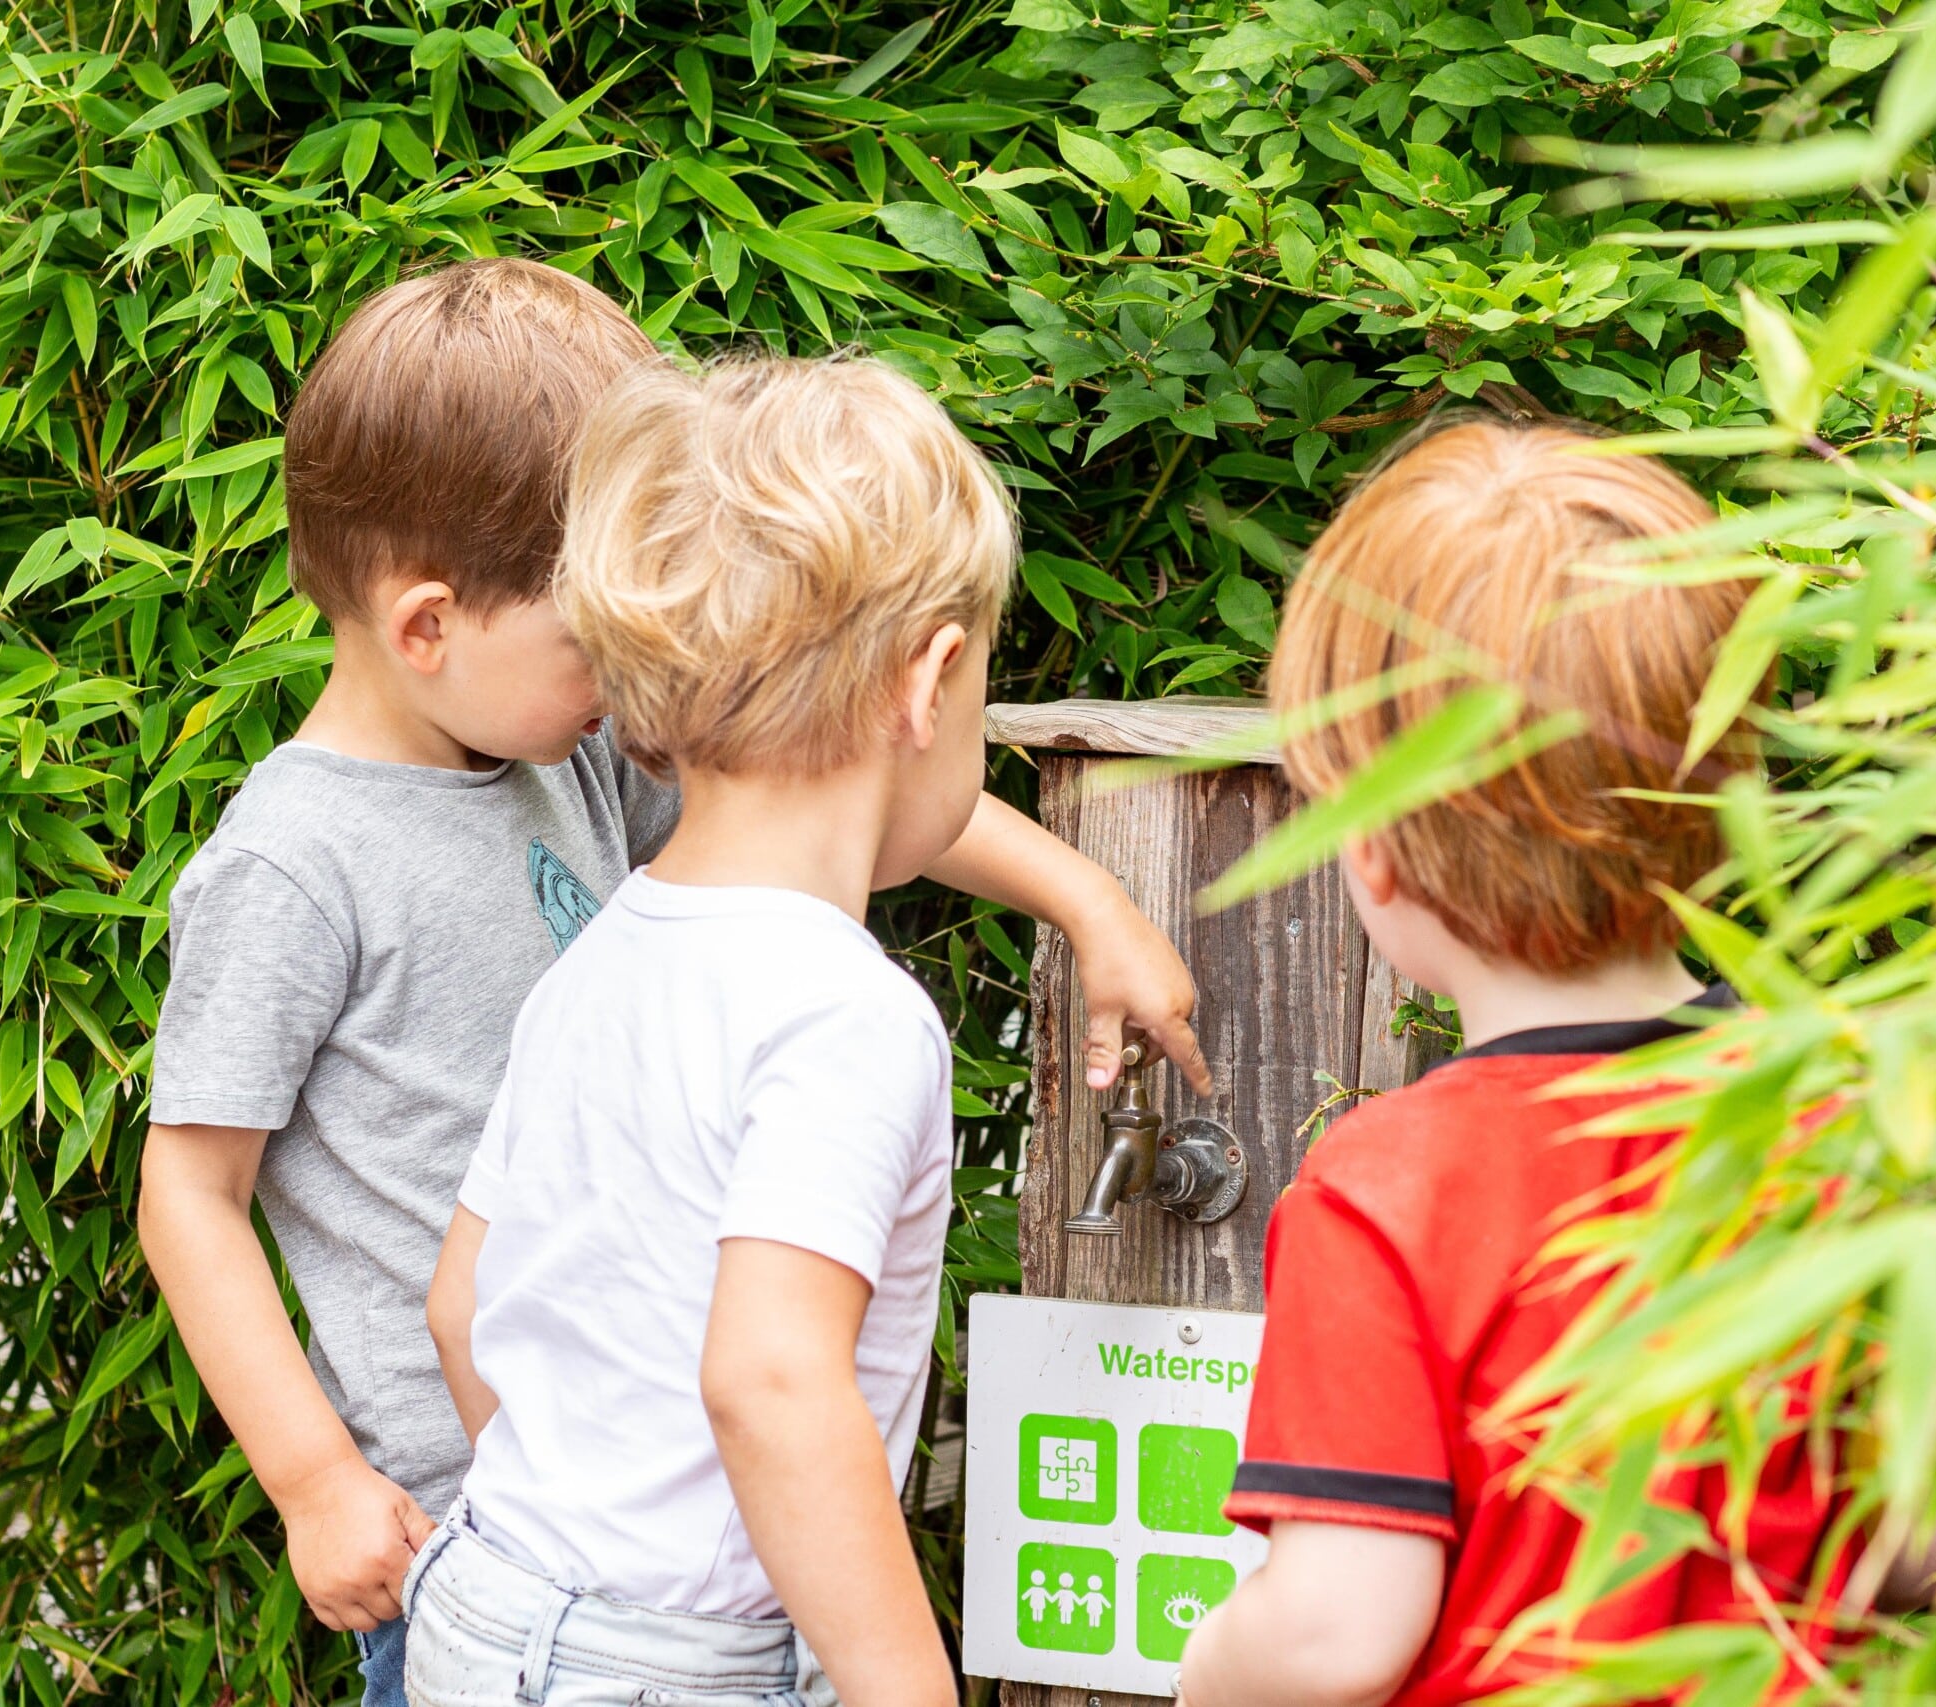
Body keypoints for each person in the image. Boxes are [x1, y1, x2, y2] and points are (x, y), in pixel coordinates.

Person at [136, 265, 1206, 1707]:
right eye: (603, 640)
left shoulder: (563, 762)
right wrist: (316, 1475)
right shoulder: (297, 863)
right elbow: (188, 1193)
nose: (644, 688)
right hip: (457, 1516)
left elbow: (821, 786)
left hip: (590, 1519)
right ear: (430, 625)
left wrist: (1085, 895)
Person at [1176, 422, 1846, 1706]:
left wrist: (1207, 1673)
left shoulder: (1387, 1192)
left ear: (1375, 848)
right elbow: (1934, 1540)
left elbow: (1333, 1633)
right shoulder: (1834, 1122)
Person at [408, 353, 1027, 1705]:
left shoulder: (601, 951)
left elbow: (464, 1306)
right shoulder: (852, 1012)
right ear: (931, 681)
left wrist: (567, 1576)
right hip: (673, 1664)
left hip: (487, 1600)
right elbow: (770, 1376)